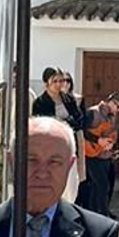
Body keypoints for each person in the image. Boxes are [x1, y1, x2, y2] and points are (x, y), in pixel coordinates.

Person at [31, 67, 85, 200]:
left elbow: (78, 119)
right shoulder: (40, 103)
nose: (59, 84)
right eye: (55, 81)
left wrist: (64, 122)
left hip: (71, 144)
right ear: (46, 83)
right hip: (51, 147)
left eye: (61, 81)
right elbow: (42, 123)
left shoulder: (68, 99)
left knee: (72, 184)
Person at [78, 91, 119, 217]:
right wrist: (98, 140)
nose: (118, 110)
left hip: (105, 156)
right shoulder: (93, 112)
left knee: (98, 187)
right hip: (92, 155)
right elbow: (83, 131)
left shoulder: (111, 117)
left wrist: (111, 144)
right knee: (102, 185)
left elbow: (110, 136)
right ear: (110, 101)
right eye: (117, 106)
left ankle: (94, 213)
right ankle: (103, 214)